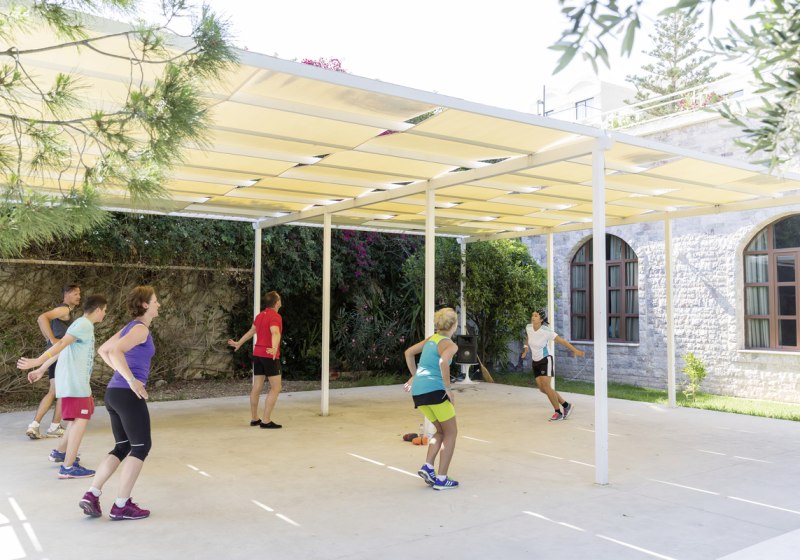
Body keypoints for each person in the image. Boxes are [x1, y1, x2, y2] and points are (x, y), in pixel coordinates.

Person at [80, 286, 160, 520]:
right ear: (145, 305)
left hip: (114, 393)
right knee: (141, 447)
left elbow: (103, 350)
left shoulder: (130, 327)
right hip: (127, 394)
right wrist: (132, 380)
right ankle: (121, 505)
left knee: (122, 447)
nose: (159, 304)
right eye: (155, 301)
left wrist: (123, 375)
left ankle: (92, 494)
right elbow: (114, 351)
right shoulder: (140, 329)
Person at [18, 294, 109, 478]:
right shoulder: (83, 325)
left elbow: (64, 348)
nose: (105, 314)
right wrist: (38, 361)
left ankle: (60, 453)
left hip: (76, 383)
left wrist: (41, 369)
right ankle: (68, 468)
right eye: (105, 311)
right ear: (98, 309)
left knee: (77, 419)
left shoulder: (81, 325)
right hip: (75, 383)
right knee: (80, 420)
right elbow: (60, 344)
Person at [403, 307, 460, 490]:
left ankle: (428, 467)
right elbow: (443, 362)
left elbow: (408, 353)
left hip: (418, 392)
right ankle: (442, 479)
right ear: (454, 325)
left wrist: (416, 376)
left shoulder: (431, 339)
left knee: (440, 431)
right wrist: (448, 389)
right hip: (435, 391)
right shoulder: (450, 345)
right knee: (451, 432)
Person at [25, 284, 81, 439]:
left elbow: (40, 320)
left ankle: (34, 425)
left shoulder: (63, 311)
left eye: (79, 294)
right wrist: (52, 339)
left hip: (54, 355)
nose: (79, 297)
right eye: (75, 293)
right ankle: (54, 427)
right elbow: (42, 318)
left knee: (54, 391)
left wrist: (48, 340)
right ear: (66, 294)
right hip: (60, 355)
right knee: (63, 391)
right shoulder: (64, 309)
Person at [228, 290, 284, 429]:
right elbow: (275, 332)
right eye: (279, 299)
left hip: (258, 354)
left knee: (257, 386)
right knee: (276, 387)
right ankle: (266, 421)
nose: (280, 300)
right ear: (276, 302)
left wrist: (239, 343)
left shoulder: (260, 316)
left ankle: (254, 419)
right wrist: (274, 347)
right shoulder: (275, 316)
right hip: (269, 355)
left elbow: (251, 332)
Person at [521, 309, 585, 421]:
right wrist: (526, 349)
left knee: (546, 386)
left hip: (546, 359)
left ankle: (558, 412)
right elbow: (528, 338)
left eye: (535, 316)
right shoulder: (529, 327)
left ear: (541, 319)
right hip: (535, 361)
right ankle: (566, 405)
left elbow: (563, 341)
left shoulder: (546, 331)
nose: (533, 317)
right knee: (542, 389)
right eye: (532, 315)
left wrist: (575, 351)